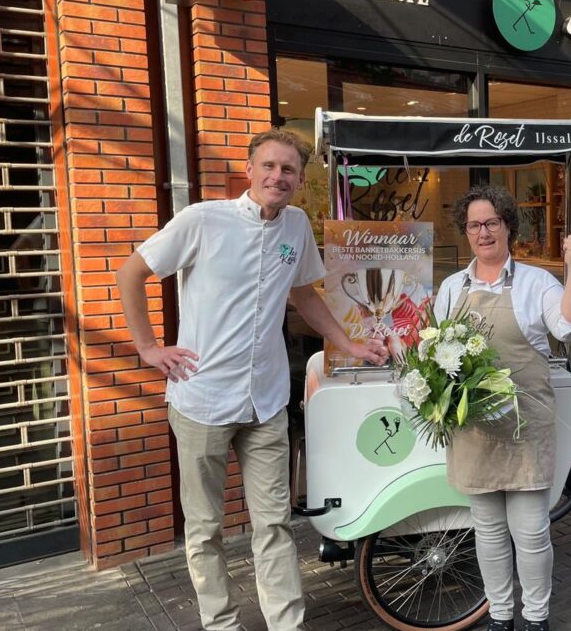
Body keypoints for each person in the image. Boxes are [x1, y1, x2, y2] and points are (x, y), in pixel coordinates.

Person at [116, 128, 386, 631]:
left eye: (287, 170)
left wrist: (348, 344)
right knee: (205, 530)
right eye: (269, 166)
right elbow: (131, 272)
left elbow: (304, 293)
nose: (277, 176)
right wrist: (149, 348)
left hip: (266, 403)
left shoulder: (297, 225)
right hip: (202, 401)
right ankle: (220, 623)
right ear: (249, 169)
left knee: (274, 524)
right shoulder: (203, 220)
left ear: (300, 179)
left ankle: (287, 624)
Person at [432, 185, 571, 631]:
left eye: (491, 223)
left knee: (531, 531)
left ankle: (535, 617)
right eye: (474, 225)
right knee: (486, 529)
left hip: (524, 426)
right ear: (466, 231)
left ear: (507, 226)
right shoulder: (451, 288)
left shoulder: (535, 282)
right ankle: (501, 616)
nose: (483, 233)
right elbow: (437, 354)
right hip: (475, 429)